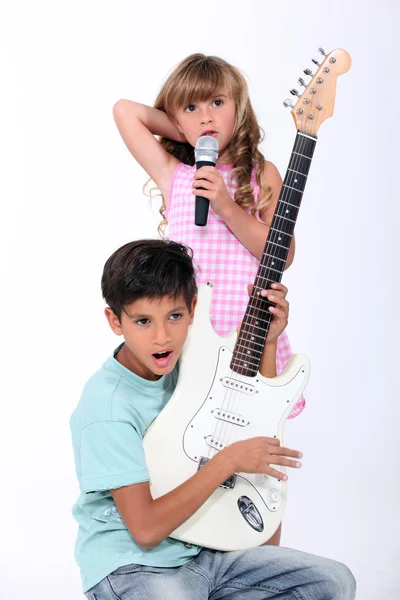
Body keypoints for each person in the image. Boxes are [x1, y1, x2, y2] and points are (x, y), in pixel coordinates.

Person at [70, 238, 356, 599]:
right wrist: (228, 461)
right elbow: (144, 530)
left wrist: (267, 344)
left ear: (192, 309)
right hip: (133, 564)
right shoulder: (107, 405)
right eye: (143, 321)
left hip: (206, 553)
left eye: (174, 316)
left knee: (333, 581)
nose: (162, 336)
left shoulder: (191, 359)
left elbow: (249, 414)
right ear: (115, 320)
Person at [113, 52, 305, 421]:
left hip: (245, 329)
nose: (206, 116)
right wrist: (192, 134)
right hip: (186, 330)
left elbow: (283, 254)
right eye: (190, 107)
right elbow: (125, 111)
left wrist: (226, 206)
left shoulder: (263, 174)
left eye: (217, 103)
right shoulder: (176, 174)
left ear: (239, 108)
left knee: (249, 427)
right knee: (183, 428)